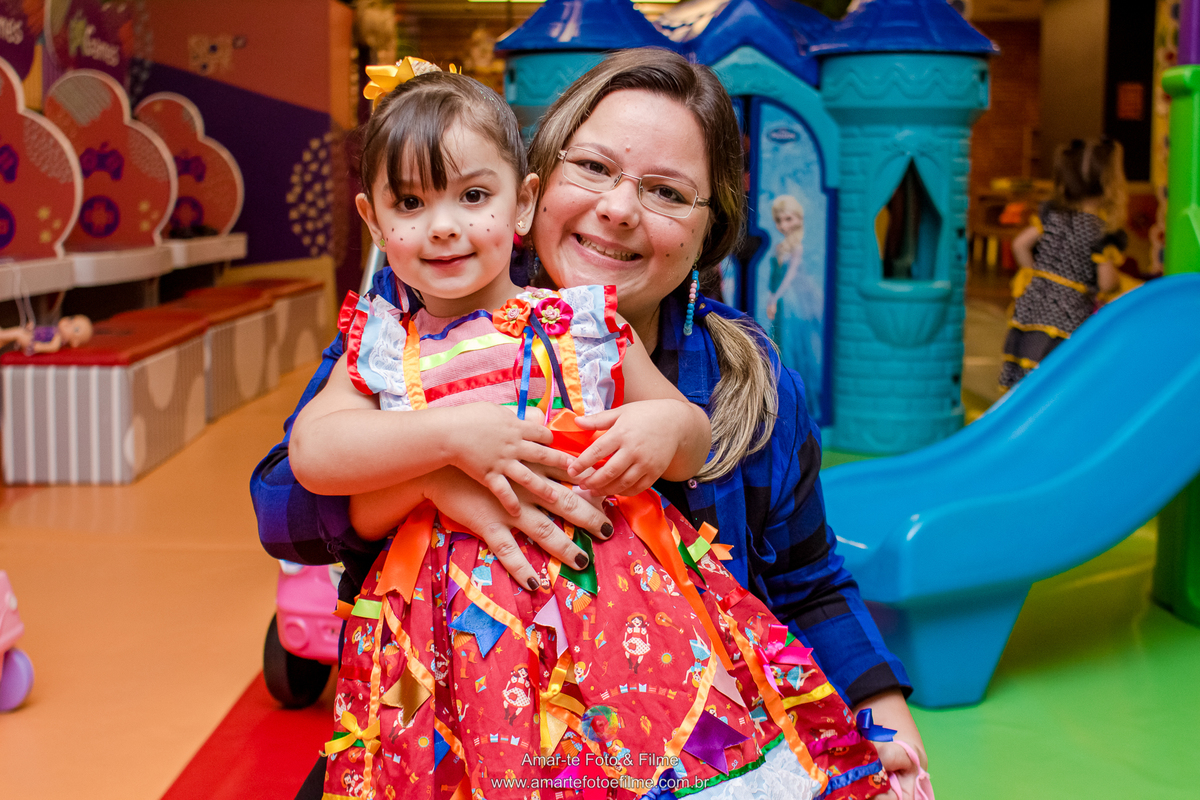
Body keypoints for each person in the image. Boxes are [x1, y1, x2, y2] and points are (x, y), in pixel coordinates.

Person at [253, 49, 929, 799]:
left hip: (653, 726)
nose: (619, 209)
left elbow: (807, 581)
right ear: (539, 185)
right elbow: (282, 501)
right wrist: (433, 476)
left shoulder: (743, 378)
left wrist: (887, 721)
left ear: (710, 229)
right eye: (595, 168)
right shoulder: (406, 323)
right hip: (445, 723)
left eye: (667, 191)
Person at [1002, 138, 1126, 388]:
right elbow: (1106, 282)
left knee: (1029, 362)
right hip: (1068, 311)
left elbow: (1020, 245)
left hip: (1034, 302)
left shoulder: (1053, 215)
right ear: (1109, 184)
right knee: (1059, 371)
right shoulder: (1099, 232)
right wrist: (1115, 281)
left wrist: (1034, 274)